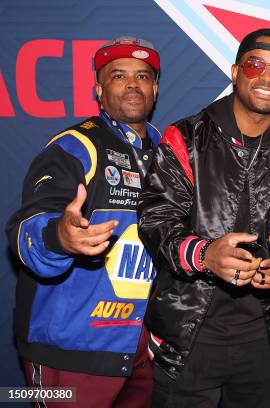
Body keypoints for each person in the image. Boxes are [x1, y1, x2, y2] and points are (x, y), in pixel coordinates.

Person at [137, 28, 270, 407]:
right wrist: (205, 255)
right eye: (256, 65)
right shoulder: (185, 138)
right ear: (236, 72)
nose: (268, 77)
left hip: (264, 344)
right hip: (188, 336)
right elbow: (157, 223)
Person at [5, 37, 161, 407]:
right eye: (119, 75)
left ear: (154, 88)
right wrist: (60, 236)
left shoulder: (165, 151)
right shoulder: (74, 146)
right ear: (99, 89)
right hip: (71, 348)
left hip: (139, 348)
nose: (133, 84)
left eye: (143, 76)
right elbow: (26, 227)